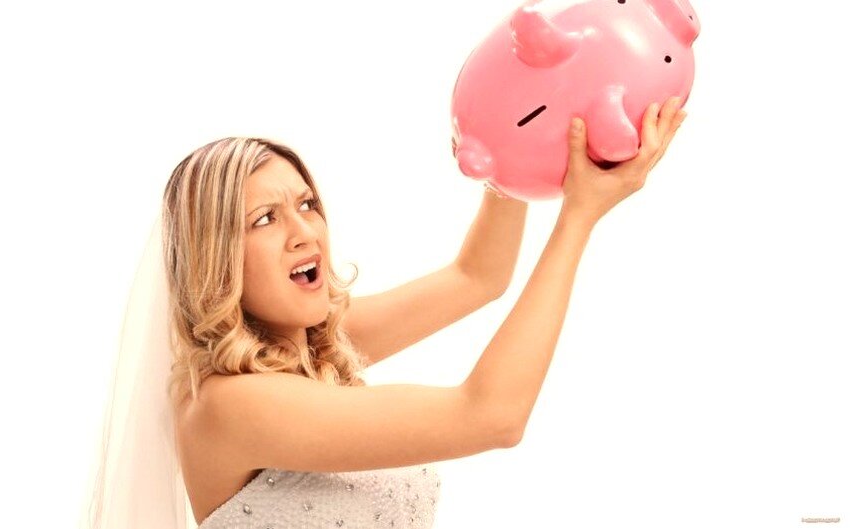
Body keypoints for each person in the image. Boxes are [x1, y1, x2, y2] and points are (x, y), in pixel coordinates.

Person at [81, 97, 687, 529]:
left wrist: (515, 143)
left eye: (306, 204)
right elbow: (493, 416)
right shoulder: (229, 404)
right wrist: (579, 217)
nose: (304, 232)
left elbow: (478, 277)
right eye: (264, 219)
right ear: (215, 261)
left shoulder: (314, 344)